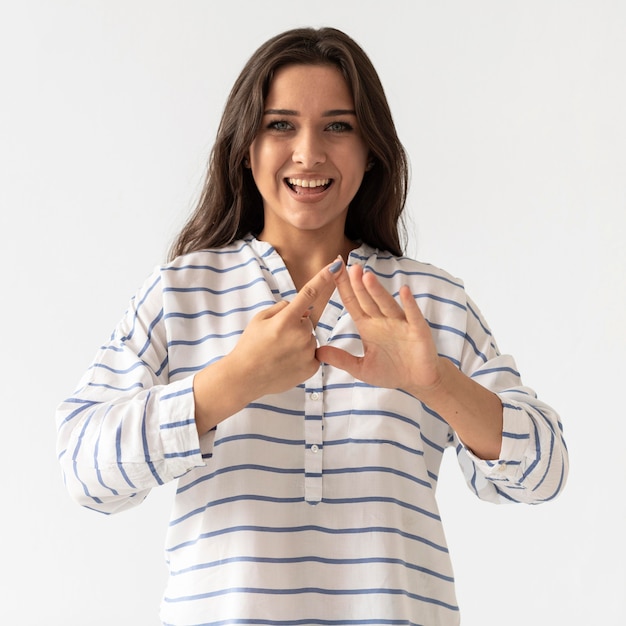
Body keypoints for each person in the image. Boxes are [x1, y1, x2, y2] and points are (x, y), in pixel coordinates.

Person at [56, 26, 568, 626]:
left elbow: (545, 471)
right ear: (245, 148)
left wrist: (434, 383)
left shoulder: (429, 299)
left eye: (338, 126)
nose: (308, 153)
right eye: (280, 125)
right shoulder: (180, 292)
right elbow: (82, 471)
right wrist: (233, 383)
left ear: (370, 148)